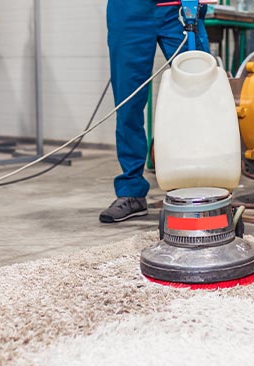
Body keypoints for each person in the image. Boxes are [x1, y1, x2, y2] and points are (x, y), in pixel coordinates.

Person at [100, 0, 210, 223]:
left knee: (201, 90)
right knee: (128, 104)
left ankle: (205, 184)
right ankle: (131, 192)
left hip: (177, 7)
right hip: (129, 11)